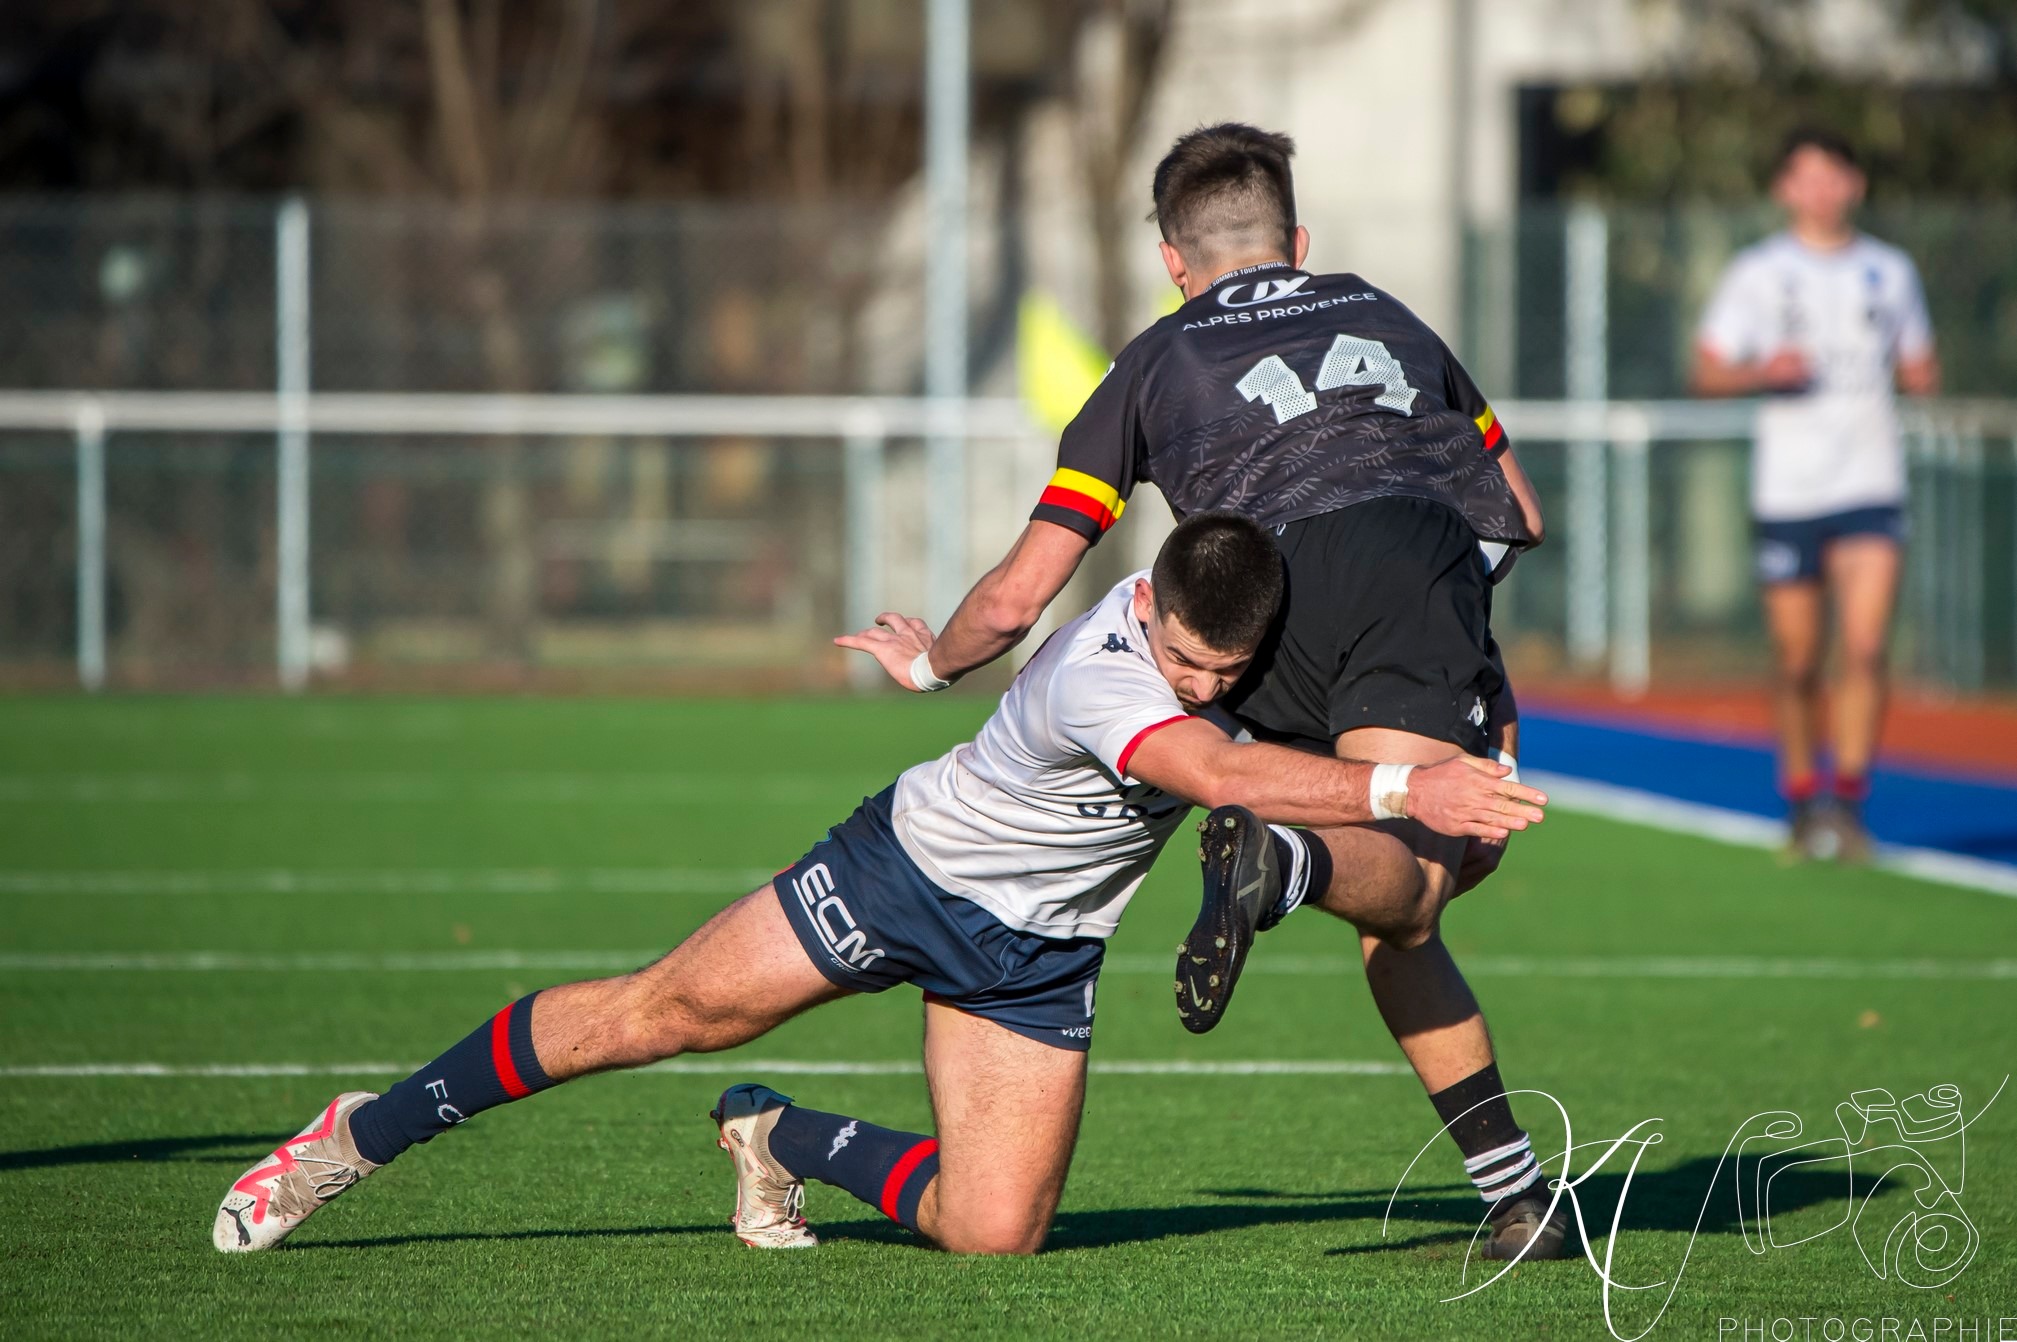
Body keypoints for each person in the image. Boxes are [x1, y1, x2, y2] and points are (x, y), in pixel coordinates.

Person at [213, 513, 1544, 1258]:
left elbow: (1411, 636)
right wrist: (1409, 789)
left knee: (994, 1232)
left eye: (1225, 668)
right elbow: (1219, 772)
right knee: (657, 1013)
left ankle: (775, 1136)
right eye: (1185, 659)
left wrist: (1467, 721)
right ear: (1147, 607)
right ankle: (353, 1138)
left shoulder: (1250, 638)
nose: (1203, 681)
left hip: (1037, 959)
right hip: (904, 873)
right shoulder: (1106, 672)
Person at [842, 124, 1570, 1258]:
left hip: (1262, 599)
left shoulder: (1151, 358)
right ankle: (1289, 864)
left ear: (1173, 262)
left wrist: (931, 662)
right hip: (1407, 562)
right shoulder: (1388, 315)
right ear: (1298, 242)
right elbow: (1518, 513)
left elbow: (1018, 596)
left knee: (1399, 905)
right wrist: (1467, 669)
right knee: (1417, 884)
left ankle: (1514, 1194)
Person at [1693, 128, 1940, 862]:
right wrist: (1760, 371)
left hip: (1870, 479)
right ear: (1784, 189)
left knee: (1864, 648)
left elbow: (1919, 363)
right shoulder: (1758, 271)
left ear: (1855, 184)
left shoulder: (1890, 270)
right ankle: (1802, 800)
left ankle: (1849, 803)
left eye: (1834, 175)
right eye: (1806, 177)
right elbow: (1706, 371)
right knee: (1798, 660)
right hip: (1790, 489)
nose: (1822, 190)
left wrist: (1920, 378)